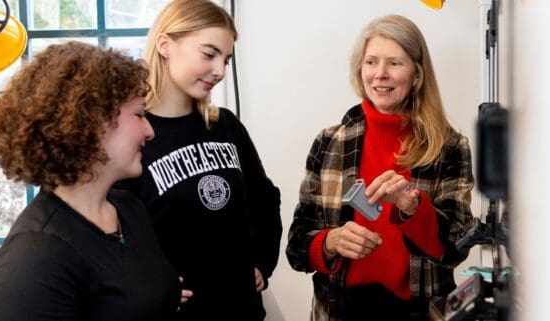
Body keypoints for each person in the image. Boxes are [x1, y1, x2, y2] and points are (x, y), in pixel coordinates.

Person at [285, 15, 475, 321]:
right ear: (360, 70)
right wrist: (329, 242)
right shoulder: (329, 142)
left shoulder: (449, 147)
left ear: (417, 74)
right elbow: (296, 248)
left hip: (418, 312)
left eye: (394, 63)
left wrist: (411, 209)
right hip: (340, 311)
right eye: (371, 62)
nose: (380, 74)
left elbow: (455, 247)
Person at [0, 41, 185, 320]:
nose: (149, 131)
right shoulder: (33, 261)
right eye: (138, 114)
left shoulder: (129, 210)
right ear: (92, 121)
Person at [116, 0, 282, 320]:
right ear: (165, 45)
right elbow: (112, 232)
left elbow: (264, 198)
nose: (219, 70)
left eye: (226, 59)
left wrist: (263, 262)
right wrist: (147, 286)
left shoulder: (226, 126)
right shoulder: (131, 133)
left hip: (241, 310)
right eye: (209, 54)